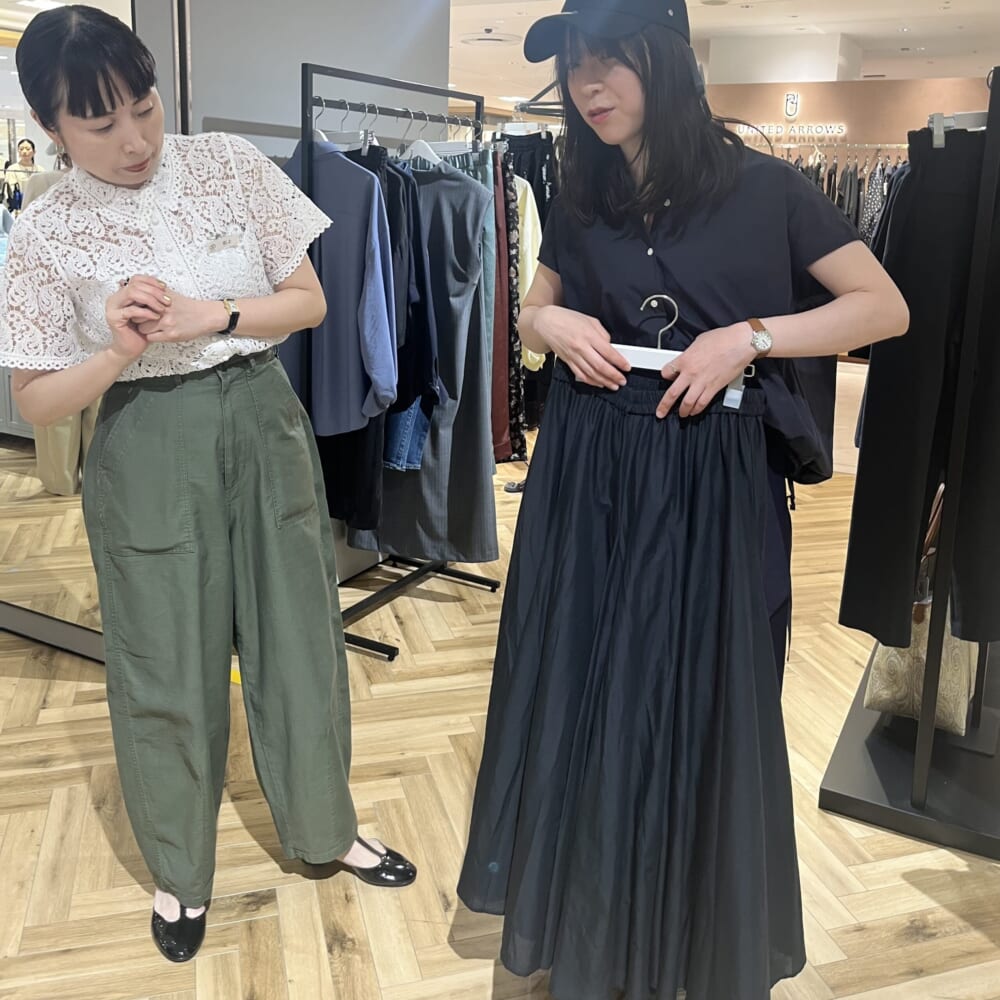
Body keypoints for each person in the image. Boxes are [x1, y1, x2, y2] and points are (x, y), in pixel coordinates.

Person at [457, 2, 909, 999]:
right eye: (576, 66)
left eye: (610, 60)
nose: (588, 84)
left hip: (711, 475)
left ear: (666, 60)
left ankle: (686, 937)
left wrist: (750, 336)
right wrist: (549, 324)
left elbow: (883, 307)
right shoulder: (585, 194)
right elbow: (533, 311)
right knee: (583, 677)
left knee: (706, 688)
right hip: (589, 468)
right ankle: (590, 918)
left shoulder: (767, 189)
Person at [0, 4, 416, 965]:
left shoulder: (228, 164)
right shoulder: (45, 230)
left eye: (143, 106)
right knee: (163, 658)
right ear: (51, 127)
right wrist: (116, 348)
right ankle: (179, 871)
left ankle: (325, 828)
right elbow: (37, 400)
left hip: (263, 416)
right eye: (99, 123)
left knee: (299, 634)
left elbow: (309, 301)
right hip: (145, 437)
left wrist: (213, 313)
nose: (134, 139)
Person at [4, 138, 42, 208]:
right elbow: (10, 192)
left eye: (28, 149)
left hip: (38, 205)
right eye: (21, 149)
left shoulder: (40, 170)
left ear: (34, 152)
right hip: (19, 206)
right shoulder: (12, 169)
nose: (24, 151)